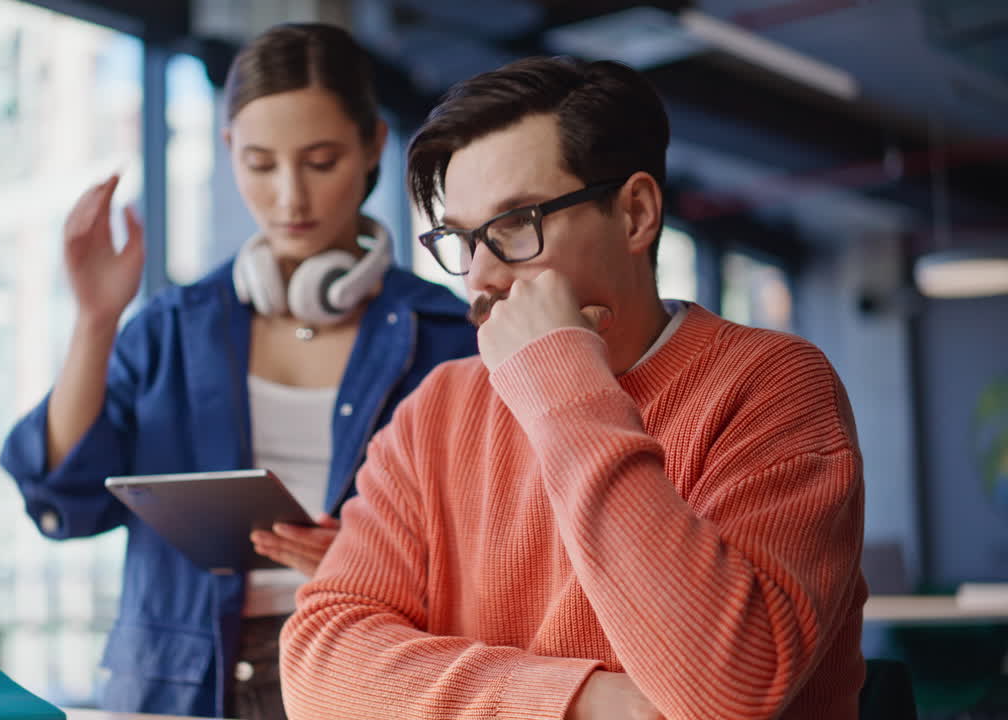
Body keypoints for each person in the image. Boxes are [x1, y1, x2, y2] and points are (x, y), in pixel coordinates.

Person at [280, 57, 867, 720]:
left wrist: (559, 381)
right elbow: (318, 663)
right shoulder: (438, 409)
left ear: (636, 213)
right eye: (463, 239)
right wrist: (580, 701)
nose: (480, 277)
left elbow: (725, 689)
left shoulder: (772, 384)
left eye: (514, 226)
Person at [0, 23, 477, 719]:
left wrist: (379, 562)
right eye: (260, 164)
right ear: (229, 153)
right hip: (183, 684)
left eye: (320, 162)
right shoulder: (170, 328)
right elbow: (62, 498)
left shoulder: (449, 335)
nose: (290, 198)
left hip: (368, 673)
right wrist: (97, 319)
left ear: (374, 145)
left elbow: (503, 544)